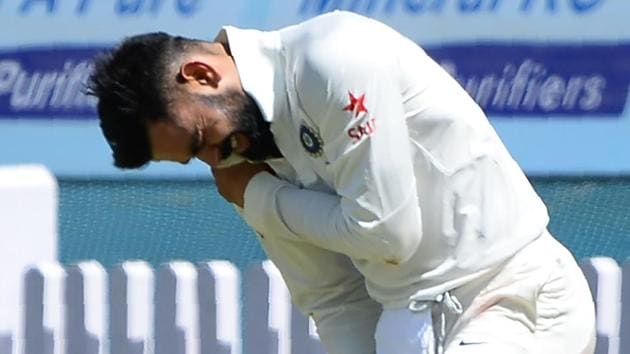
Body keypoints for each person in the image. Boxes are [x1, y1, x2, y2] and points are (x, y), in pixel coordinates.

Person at [87, 10, 596, 354]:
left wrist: (264, 200)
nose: (217, 160)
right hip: (408, 327)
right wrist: (263, 197)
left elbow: (387, 232)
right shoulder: (241, 159)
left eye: (203, 138)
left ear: (201, 74)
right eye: (195, 158)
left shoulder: (333, 58)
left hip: (513, 298)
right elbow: (334, 298)